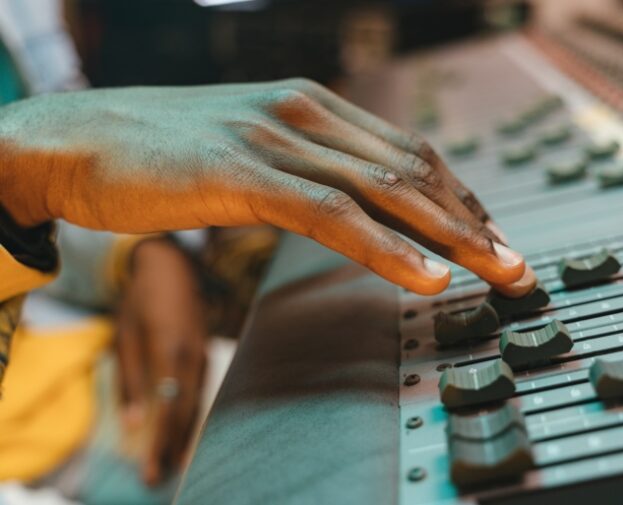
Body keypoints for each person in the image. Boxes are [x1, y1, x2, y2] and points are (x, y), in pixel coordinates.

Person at [0, 5, 535, 497]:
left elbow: (63, 168)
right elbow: (36, 156)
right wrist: (17, 171)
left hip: (78, 357)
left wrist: (142, 250)